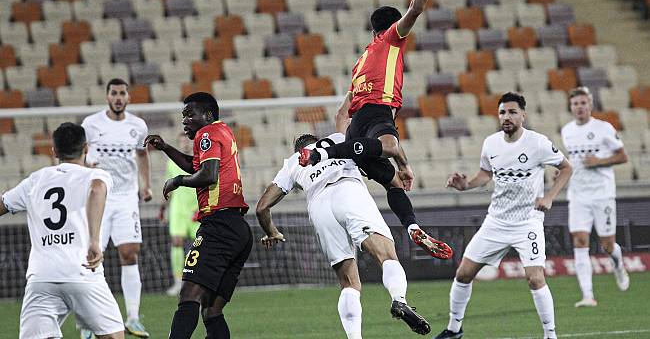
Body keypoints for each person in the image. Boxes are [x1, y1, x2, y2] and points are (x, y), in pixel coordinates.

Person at [298, 0, 450, 259]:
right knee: (390, 146)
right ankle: (324, 153)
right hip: (377, 112)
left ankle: (413, 227)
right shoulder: (392, 39)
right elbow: (416, 9)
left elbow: (341, 113)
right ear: (394, 26)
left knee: (394, 183)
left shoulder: (360, 64)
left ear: (371, 30)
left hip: (358, 130)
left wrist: (402, 166)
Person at [256, 105, 431, 337]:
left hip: (319, 206)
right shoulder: (338, 139)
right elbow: (342, 115)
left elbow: (261, 207)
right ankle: (398, 300)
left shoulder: (292, 163)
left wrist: (272, 232)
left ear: (299, 149)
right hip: (348, 191)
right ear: (318, 141)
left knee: (349, 284)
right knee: (386, 256)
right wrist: (354, 89)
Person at [434, 93, 573, 339]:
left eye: (511, 112)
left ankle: (550, 335)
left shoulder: (538, 143)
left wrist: (549, 196)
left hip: (527, 222)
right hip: (496, 221)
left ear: (523, 115)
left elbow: (566, 167)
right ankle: (454, 330)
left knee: (535, 278)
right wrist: (465, 184)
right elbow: (486, 174)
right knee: (463, 273)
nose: (506, 117)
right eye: (502, 113)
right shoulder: (491, 143)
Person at [0, 123, 124, 339]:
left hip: (42, 277)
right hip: (83, 271)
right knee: (113, 336)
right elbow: (96, 190)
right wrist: (94, 241)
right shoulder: (96, 175)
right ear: (86, 148)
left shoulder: (35, 180)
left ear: (54, 151)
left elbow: (3, 204)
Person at [145, 92, 251, 339]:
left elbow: (208, 174)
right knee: (211, 311)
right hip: (238, 228)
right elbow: (198, 165)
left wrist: (177, 181)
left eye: (190, 114)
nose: (185, 120)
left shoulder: (207, 134)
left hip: (218, 226)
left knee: (189, 295)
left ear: (208, 115)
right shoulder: (223, 130)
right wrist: (166, 148)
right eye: (183, 115)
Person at [81, 78, 152, 338]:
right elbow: (81, 154)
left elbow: (143, 155)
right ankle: (88, 324)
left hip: (125, 198)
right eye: (114, 93)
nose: (118, 97)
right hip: (98, 197)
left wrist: (146, 185)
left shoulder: (138, 126)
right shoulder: (91, 124)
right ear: (107, 96)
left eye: (122, 93)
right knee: (91, 256)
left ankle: (133, 318)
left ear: (128, 97)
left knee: (130, 253)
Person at [560, 87, 630, 308]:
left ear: (590, 104)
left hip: (602, 194)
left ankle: (617, 263)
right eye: (575, 103)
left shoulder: (603, 128)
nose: (579, 107)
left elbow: (622, 156)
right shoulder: (567, 131)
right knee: (580, 241)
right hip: (578, 194)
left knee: (607, 245)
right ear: (570, 107)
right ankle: (588, 295)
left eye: (583, 102)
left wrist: (598, 161)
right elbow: (573, 160)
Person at [159, 133, 201, 296]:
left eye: (187, 141)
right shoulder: (172, 162)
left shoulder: (199, 160)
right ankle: (178, 282)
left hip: (196, 208)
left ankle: (198, 280)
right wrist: (163, 208)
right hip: (177, 209)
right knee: (176, 242)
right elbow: (168, 187)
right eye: (181, 142)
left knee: (200, 245)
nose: (184, 144)